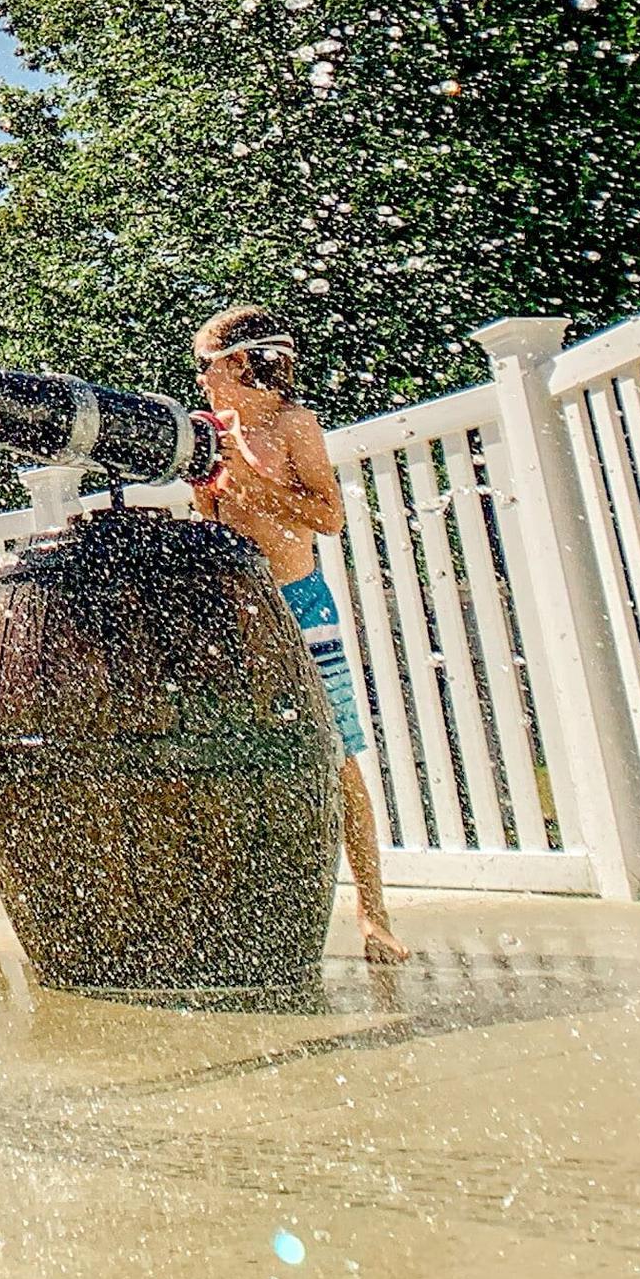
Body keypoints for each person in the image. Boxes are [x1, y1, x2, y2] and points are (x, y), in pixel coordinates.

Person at [189, 306, 407, 964]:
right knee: (234, 753)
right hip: (236, 613)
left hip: (300, 605)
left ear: (234, 363)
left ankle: (374, 913)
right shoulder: (207, 431)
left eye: (203, 367)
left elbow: (329, 515)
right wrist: (208, 485)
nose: (199, 382)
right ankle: (247, 907)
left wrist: (253, 480)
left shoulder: (293, 426)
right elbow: (215, 517)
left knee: (335, 753)